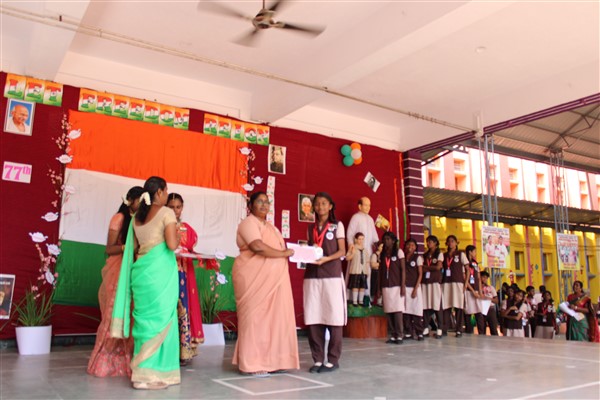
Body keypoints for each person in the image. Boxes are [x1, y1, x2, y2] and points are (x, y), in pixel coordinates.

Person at [111, 176, 181, 390]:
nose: (167, 194)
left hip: (141, 273)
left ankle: (141, 374)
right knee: (162, 320)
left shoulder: (136, 217)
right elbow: (172, 245)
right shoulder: (166, 213)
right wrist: (178, 235)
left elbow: (132, 249)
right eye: (166, 191)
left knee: (144, 324)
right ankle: (150, 375)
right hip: (160, 274)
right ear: (159, 192)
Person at [231, 192, 299, 377]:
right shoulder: (248, 223)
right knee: (254, 320)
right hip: (253, 279)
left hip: (275, 281)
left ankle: (275, 361)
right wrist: (283, 254)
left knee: (276, 320)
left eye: (266, 202)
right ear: (250, 205)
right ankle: (251, 364)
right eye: (259, 201)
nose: (264, 205)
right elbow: (257, 246)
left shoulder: (271, 227)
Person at [88, 186, 143, 378]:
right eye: (139, 201)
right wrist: (127, 247)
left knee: (132, 314)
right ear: (130, 200)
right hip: (118, 269)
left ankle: (128, 361)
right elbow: (109, 249)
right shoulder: (119, 218)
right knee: (114, 313)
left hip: (135, 269)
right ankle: (104, 362)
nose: (142, 205)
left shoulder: (141, 220)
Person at [304, 192, 346, 373]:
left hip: (332, 276)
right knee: (313, 316)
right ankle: (318, 359)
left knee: (334, 316)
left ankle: (333, 359)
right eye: (317, 204)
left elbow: (342, 251)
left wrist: (326, 259)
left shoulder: (337, 226)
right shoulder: (310, 228)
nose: (320, 206)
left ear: (330, 206)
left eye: (324, 203)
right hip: (312, 277)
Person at [167, 193, 204, 366]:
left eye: (178, 207)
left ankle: (183, 350)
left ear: (182, 208)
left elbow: (189, 248)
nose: (175, 210)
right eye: (171, 207)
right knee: (168, 308)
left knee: (183, 306)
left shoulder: (187, 229)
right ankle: (167, 349)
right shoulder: (162, 226)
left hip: (183, 272)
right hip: (166, 270)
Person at [346, 197, 379, 299]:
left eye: (369, 205)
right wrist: (351, 246)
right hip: (356, 252)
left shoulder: (370, 219)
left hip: (367, 252)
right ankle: (351, 299)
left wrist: (379, 246)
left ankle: (365, 298)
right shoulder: (355, 217)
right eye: (365, 205)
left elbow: (374, 237)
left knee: (366, 274)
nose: (368, 207)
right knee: (355, 274)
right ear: (360, 206)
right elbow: (350, 234)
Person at [378, 232, 406, 344]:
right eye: (385, 239)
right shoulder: (383, 254)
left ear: (393, 241)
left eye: (388, 239)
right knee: (388, 310)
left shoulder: (399, 252)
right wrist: (379, 288)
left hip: (397, 285)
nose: (386, 241)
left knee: (397, 310)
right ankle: (393, 334)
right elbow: (380, 271)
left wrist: (403, 285)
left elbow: (403, 269)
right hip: (386, 285)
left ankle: (399, 334)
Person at [441, 235, 468, 337]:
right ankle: (444, 328)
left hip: (458, 282)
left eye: (452, 241)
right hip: (446, 282)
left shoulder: (461, 254)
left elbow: (468, 269)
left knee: (458, 306)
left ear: (456, 243)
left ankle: (459, 329)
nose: (450, 243)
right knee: (446, 306)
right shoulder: (443, 255)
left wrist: (465, 283)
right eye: (449, 241)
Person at [421, 235, 444, 339]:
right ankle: (425, 328)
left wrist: (427, 267)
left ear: (435, 243)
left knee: (436, 304)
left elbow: (438, 267)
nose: (428, 243)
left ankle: (440, 329)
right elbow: (422, 268)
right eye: (427, 241)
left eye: (430, 241)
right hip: (425, 282)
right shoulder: (425, 255)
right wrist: (431, 268)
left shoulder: (439, 254)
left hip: (435, 281)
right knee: (425, 305)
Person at [402, 238, 424, 341]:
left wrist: (415, 289)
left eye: (412, 245)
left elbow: (420, 274)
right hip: (405, 287)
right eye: (408, 245)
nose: (410, 247)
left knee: (416, 310)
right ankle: (408, 332)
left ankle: (419, 332)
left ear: (415, 247)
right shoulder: (403, 257)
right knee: (406, 310)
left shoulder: (417, 258)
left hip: (415, 287)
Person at [464, 245, 485, 335]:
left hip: (476, 290)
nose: (475, 253)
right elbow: (464, 279)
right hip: (468, 291)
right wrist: (472, 291)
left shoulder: (475, 263)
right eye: (474, 251)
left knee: (479, 312)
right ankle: (469, 331)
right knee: (468, 312)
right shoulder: (465, 262)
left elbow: (479, 278)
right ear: (470, 252)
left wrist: (480, 292)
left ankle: (482, 333)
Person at [346, 232, 369, 307]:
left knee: (362, 286)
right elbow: (347, 258)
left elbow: (367, 261)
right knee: (355, 285)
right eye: (359, 239)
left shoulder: (365, 250)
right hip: (355, 269)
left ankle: (361, 300)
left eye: (362, 239)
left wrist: (367, 271)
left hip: (363, 270)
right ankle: (355, 301)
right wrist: (352, 253)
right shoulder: (353, 248)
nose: (361, 241)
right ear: (356, 239)